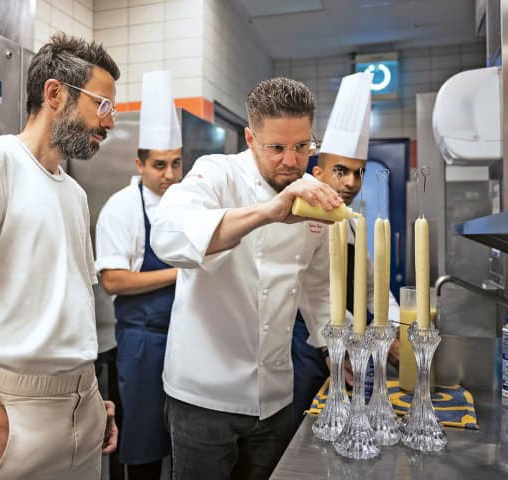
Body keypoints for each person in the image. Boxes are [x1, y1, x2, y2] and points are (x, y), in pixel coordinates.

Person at [0, 33, 121, 480]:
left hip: (82, 405)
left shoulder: (74, 193)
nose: (109, 123)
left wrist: (88, 394)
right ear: (55, 93)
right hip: (16, 414)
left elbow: (67, 304)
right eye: (102, 106)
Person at [150, 77, 343, 480]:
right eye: (277, 148)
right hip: (203, 397)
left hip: (275, 398)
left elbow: (318, 289)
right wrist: (267, 212)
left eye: (302, 146)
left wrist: (338, 356)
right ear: (250, 138)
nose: (292, 161)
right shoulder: (217, 173)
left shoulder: (312, 197)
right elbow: (167, 234)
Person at [291, 72, 401, 429]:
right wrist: (352, 342)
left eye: (358, 172)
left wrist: (394, 326)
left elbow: (372, 287)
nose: (352, 182)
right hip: (307, 351)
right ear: (319, 172)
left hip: (346, 350)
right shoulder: (299, 218)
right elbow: (313, 292)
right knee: (303, 432)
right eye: (341, 171)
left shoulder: (353, 222)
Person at [95, 70, 183, 480]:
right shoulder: (122, 207)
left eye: (176, 164)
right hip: (143, 341)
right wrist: (178, 275)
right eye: (160, 165)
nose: (169, 174)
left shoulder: (185, 203)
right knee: (145, 442)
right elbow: (113, 280)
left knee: (183, 441)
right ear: (140, 163)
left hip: (186, 339)